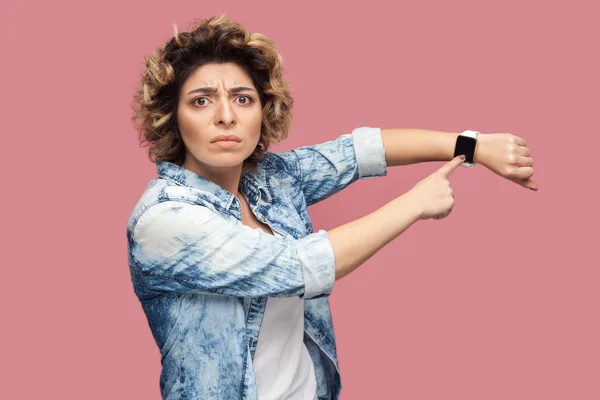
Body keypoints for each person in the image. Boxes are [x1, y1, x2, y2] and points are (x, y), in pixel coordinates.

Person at [127, 13, 537, 400]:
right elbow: (298, 266)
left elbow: (355, 152)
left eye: (243, 99)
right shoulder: (164, 219)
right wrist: (414, 204)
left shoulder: (270, 178)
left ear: (263, 111)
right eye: (201, 101)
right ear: (172, 117)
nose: (225, 116)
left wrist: (473, 145)